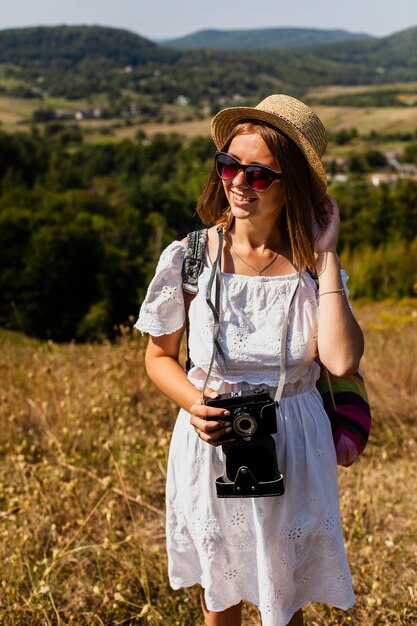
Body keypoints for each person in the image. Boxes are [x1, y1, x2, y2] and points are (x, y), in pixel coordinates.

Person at [135, 94, 364, 626]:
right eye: (228, 165)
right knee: (222, 593)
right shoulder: (189, 258)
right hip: (213, 437)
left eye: (258, 174)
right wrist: (196, 404)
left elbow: (342, 360)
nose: (237, 182)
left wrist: (326, 255)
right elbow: (158, 357)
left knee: (285, 600)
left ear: (293, 185)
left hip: (294, 443)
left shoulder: (313, 270)